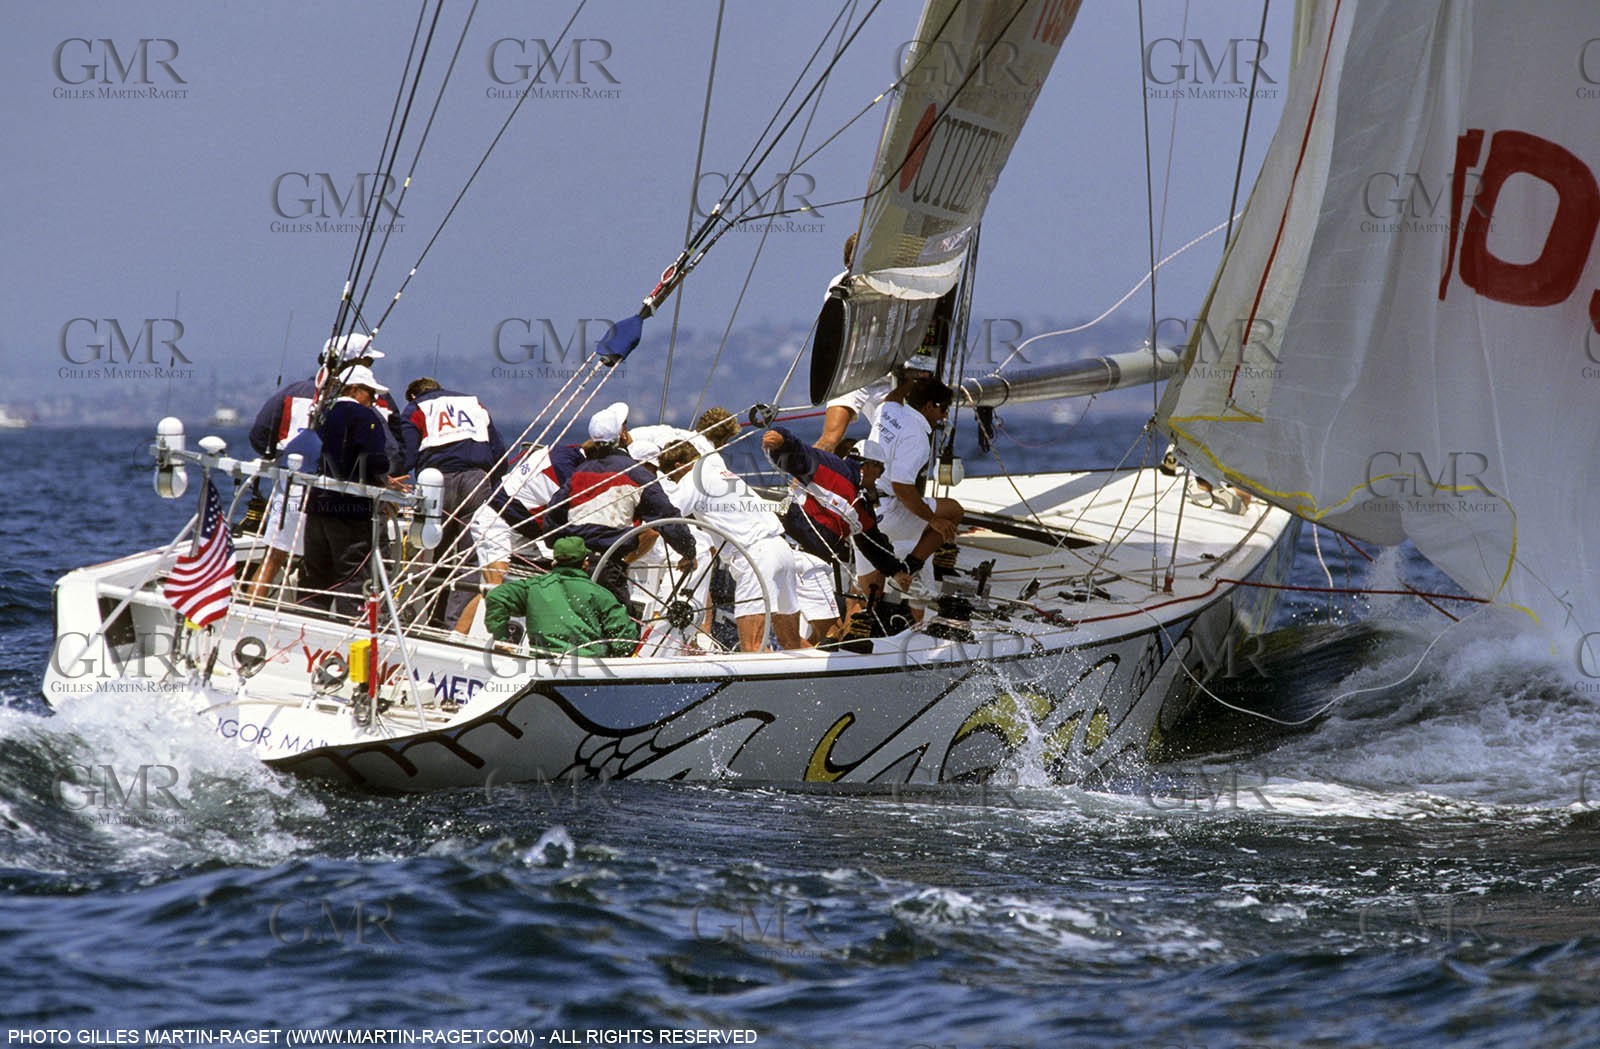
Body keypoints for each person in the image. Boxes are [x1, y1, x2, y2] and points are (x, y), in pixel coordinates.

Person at [245, 334, 386, 601]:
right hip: (335, 494)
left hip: (291, 486)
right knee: (335, 564)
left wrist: (283, 456)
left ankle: (251, 606)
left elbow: (259, 436)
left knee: (273, 559)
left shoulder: (292, 392)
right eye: (367, 362)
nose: (370, 367)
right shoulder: (361, 401)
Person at [658, 421, 808, 652]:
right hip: (781, 550)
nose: (674, 482)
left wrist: (686, 551)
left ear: (678, 466)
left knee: (752, 647)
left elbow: (667, 517)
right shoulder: (720, 472)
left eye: (671, 477)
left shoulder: (692, 478)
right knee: (792, 642)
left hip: (756, 557)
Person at [761, 426, 912, 635]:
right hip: (790, 553)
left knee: (830, 633)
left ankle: (807, 655)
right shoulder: (831, 466)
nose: (880, 476)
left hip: (814, 564)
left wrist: (896, 570)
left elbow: (872, 543)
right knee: (824, 633)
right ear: (869, 465)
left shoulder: (863, 507)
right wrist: (781, 440)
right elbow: (799, 453)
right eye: (881, 469)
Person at [548, 401, 697, 608]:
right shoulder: (636, 474)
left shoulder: (579, 473)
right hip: (606, 568)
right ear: (622, 435)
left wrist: (561, 548)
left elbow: (552, 518)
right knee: (620, 624)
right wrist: (688, 551)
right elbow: (667, 519)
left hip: (569, 567)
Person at [390, 377, 507, 630]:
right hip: (477, 480)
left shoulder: (417, 407)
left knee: (436, 550)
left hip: (437, 482)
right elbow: (499, 453)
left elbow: (406, 454)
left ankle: (434, 619)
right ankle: (456, 626)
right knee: (469, 557)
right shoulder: (474, 404)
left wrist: (391, 475)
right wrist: (491, 483)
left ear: (413, 395)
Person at [299, 364, 391, 615]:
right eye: (371, 393)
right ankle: (350, 628)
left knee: (314, 575)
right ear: (354, 389)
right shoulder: (363, 416)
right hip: (351, 510)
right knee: (352, 576)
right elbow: (374, 460)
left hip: (317, 505)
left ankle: (305, 624)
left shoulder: (320, 414)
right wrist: (384, 475)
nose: (374, 400)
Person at [869, 377, 964, 592]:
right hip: (884, 514)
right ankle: (908, 569)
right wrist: (934, 520)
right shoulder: (918, 439)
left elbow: (893, 396)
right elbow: (902, 488)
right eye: (943, 408)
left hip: (863, 501)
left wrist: (912, 382)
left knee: (926, 510)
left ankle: (896, 566)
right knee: (953, 512)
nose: (945, 415)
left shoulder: (887, 410)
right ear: (929, 406)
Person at [483, 536, 639, 658]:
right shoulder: (601, 595)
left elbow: (496, 596)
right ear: (585, 564)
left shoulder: (533, 587)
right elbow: (625, 637)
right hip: (587, 668)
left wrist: (501, 638)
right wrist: (614, 657)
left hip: (542, 664)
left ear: (553, 563)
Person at [815, 353, 938, 453]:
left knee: (899, 443)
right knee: (829, 440)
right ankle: (803, 477)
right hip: (852, 374)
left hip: (891, 378)